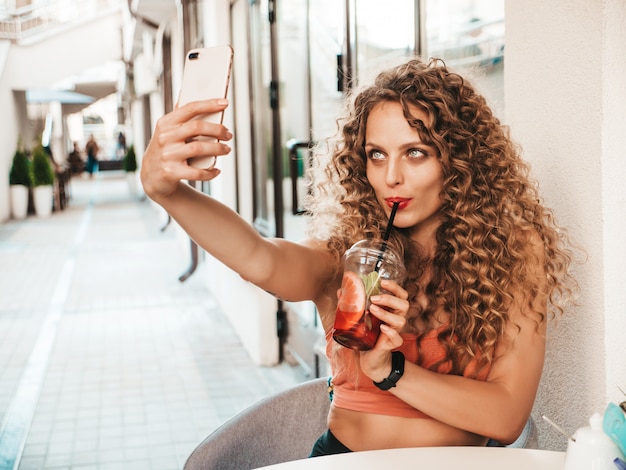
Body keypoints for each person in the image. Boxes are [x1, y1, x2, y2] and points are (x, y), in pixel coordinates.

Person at [140, 58, 577, 455]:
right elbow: (261, 259)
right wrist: (168, 193)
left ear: (460, 160)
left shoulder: (511, 254)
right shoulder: (349, 258)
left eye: (416, 152)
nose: (391, 177)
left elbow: (505, 418)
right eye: (377, 155)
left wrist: (391, 369)